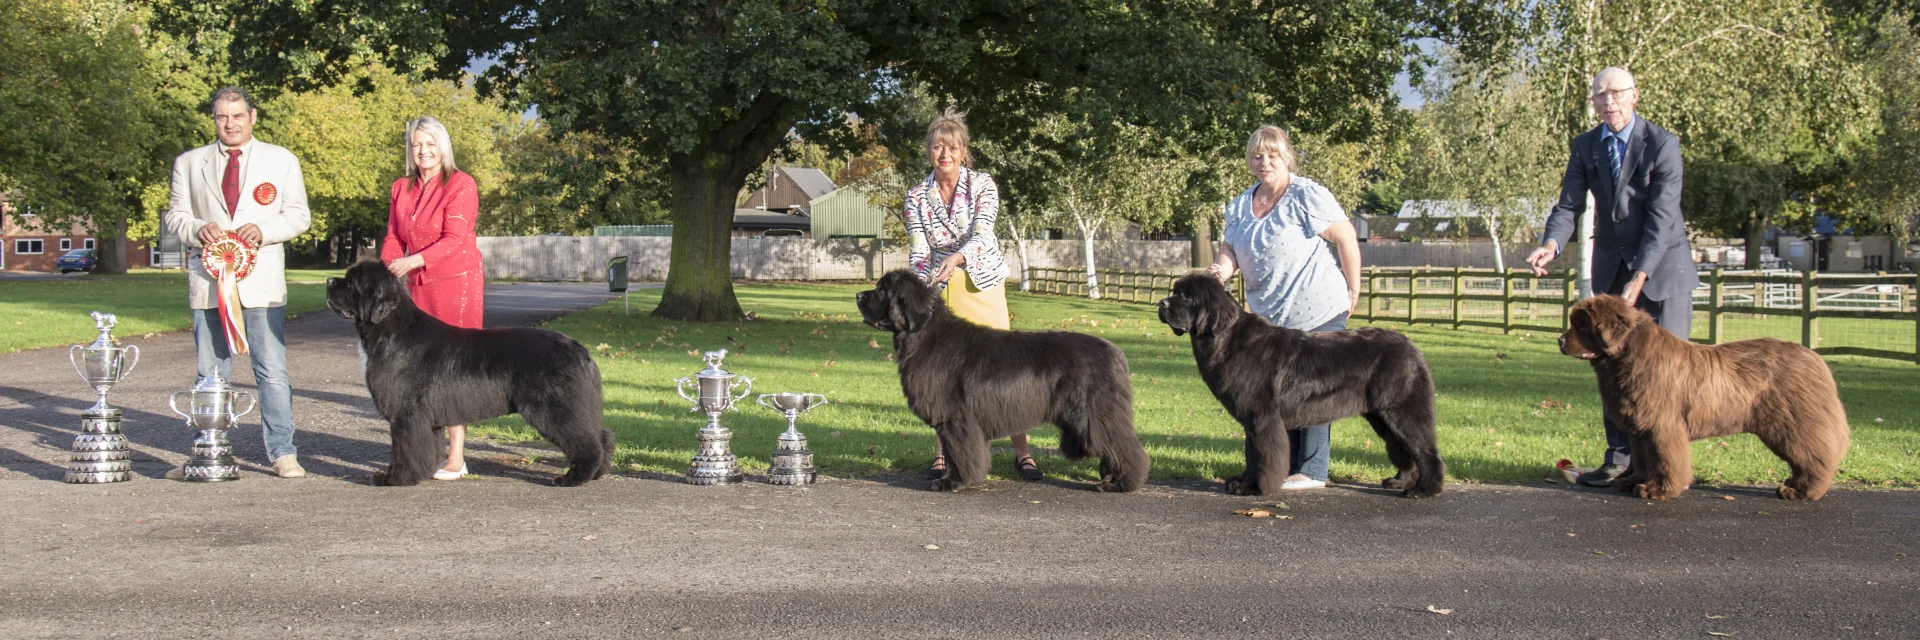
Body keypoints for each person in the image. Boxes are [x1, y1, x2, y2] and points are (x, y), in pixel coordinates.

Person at [1526, 66, 1696, 488]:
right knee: (1612, 370)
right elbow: (1569, 204)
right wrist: (1552, 243)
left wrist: (1640, 274)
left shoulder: (1662, 144)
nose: (1608, 102)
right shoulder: (1586, 145)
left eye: (1616, 93)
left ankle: (1668, 466)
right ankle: (1621, 461)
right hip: (1611, 268)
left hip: (1663, 271)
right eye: (1599, 95)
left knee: (1668, 375)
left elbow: (1661, 218)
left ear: (1635, 95)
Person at [162, 87, 312, 478]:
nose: (229, 124)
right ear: (213, 119)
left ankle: (283, 453)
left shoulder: (281, 160)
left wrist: (262, 230)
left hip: (261, 281)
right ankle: (205, 451)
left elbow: (299, 216)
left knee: (271, 371)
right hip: (209, 280)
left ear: (253, 116)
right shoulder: (189, 163)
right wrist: (198, 228)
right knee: (210, 374)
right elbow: (175, 217)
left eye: (237, 116)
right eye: (221, 117)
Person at [1207, 124, 1364, 491]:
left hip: (1318, 309)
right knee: (1274, 394)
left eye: (1272, 155)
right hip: (1269, 320)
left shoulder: (1307, 195)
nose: (1264, 162)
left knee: (1312, 388)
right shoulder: (1240, 204)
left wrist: (1354, 287)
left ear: (1286, 156)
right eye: (1257, 156)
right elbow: (1231, 249)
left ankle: (1312, 471)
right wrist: (1220, 269)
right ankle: (1280, 468)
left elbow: (1346, 238)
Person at [903, 112, 1042, 482]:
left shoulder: (983, 185)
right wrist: (921, 292)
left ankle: (1023, 452)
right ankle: (944, 454)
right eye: (937, 146)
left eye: (952, 147)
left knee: (1003, 366)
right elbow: (918, 250)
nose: (944, 154)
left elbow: (982, 233)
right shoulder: (916, 196)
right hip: (940, 289)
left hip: (981, 281)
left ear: (964, 151)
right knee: (941, 374)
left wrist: (958, 256)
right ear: (928, 152)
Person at [381, 116, 486, 481]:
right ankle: (424, 453)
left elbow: (455, 238)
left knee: (451, 367)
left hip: (454, 284)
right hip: (415, 284)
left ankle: (457, 456)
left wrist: (413, 259)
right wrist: (389, 266)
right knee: (417, 370)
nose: (423, 151)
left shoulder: (461, 184)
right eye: (416, 144)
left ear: (443, 146)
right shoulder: (401, 187)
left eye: (430, 144)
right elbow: (393, 235)